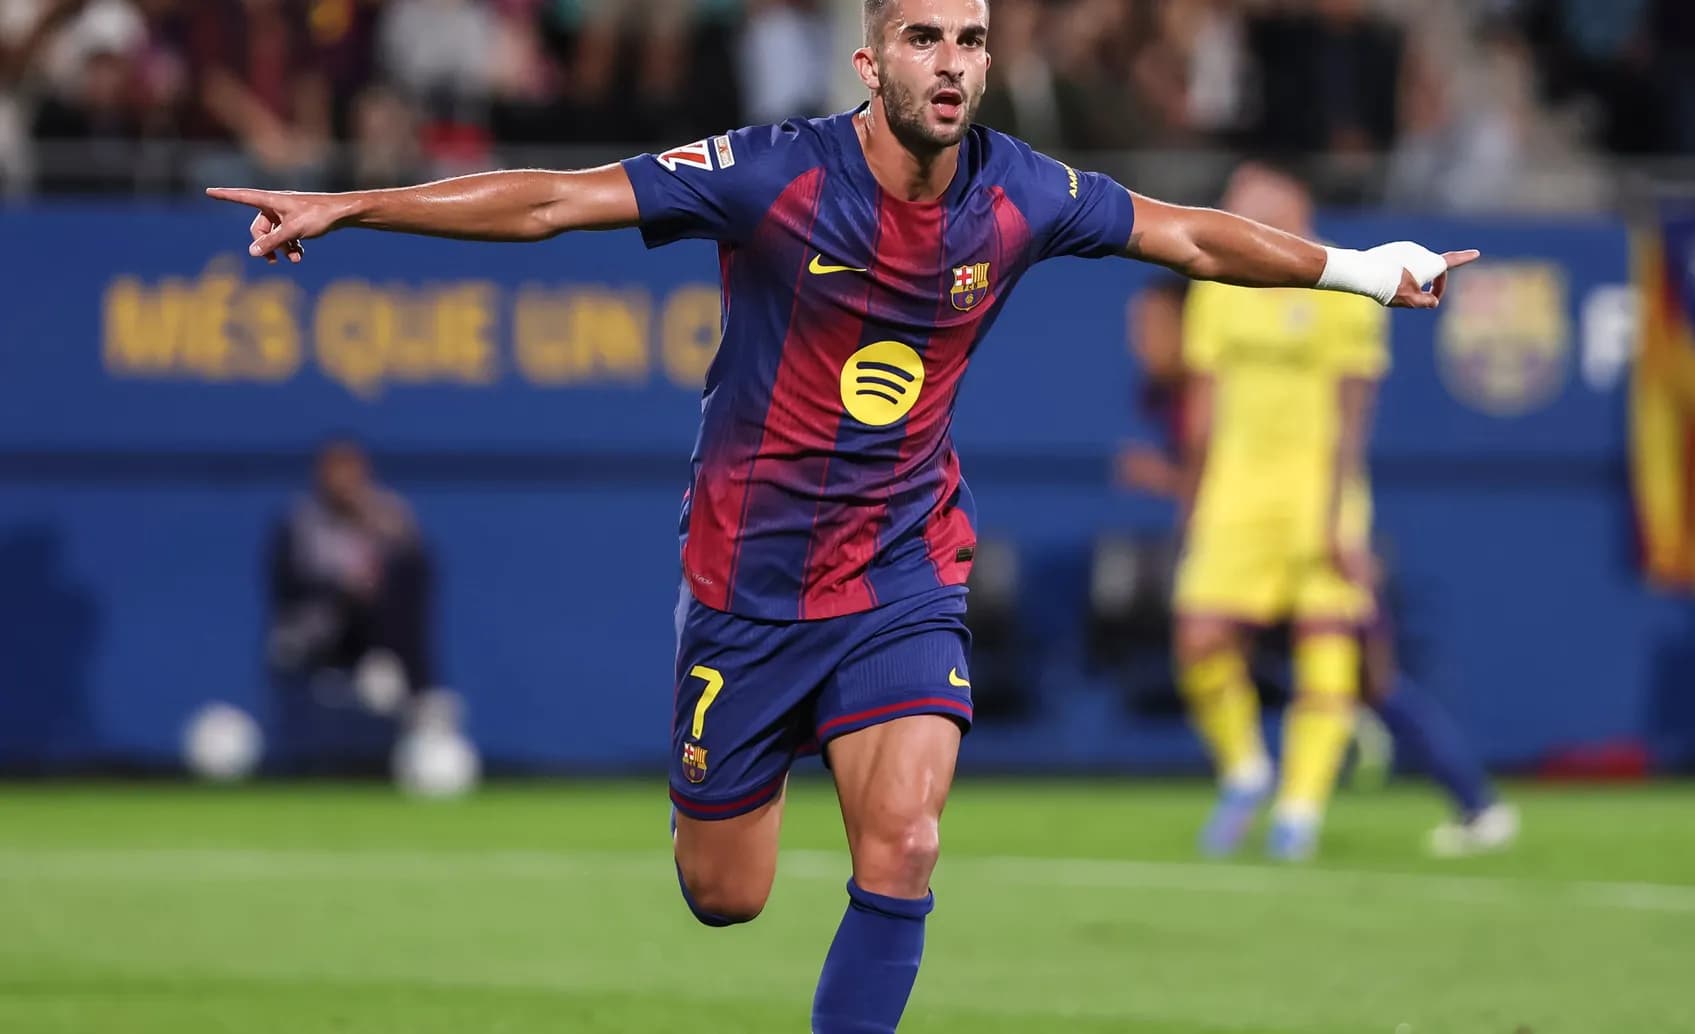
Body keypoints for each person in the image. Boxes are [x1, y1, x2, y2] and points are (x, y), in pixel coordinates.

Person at [206, 2, 1477, 1029]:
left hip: (903, 569)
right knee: (728, 896)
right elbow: (553, 201)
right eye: (924, 38)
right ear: (871, 62)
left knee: (908, 838)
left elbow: (1188, 237)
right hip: (746, 588)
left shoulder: (1022, 192)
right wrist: (347, 204)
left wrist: (1369, 271)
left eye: (973, 41)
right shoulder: (770, 175)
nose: (952, 63)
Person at [1161, 161, 1512, 860]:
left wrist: (1339, 509)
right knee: (1199, 638)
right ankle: (1246, 770)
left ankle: (1299, 812)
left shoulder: (1347, 281)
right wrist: (1193, 494)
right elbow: (1201, 406)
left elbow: (1354, 412)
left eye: (1257, 200)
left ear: (1296, 203)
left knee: (1335, 656)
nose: (1241, 211)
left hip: (1319, 496)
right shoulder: (1219, 289)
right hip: (1236, 495)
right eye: (1236, 201)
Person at [266, 437, 435, 719]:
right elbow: (290, 584)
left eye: (351, 470)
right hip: (318, 628)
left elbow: (414, 568)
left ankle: (417, 691)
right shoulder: (300, 521)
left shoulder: (384, 514)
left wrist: (384, 526)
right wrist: (341, 586)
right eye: (336, 470)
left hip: (374, 629)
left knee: (401, 586)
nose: (344, 481)